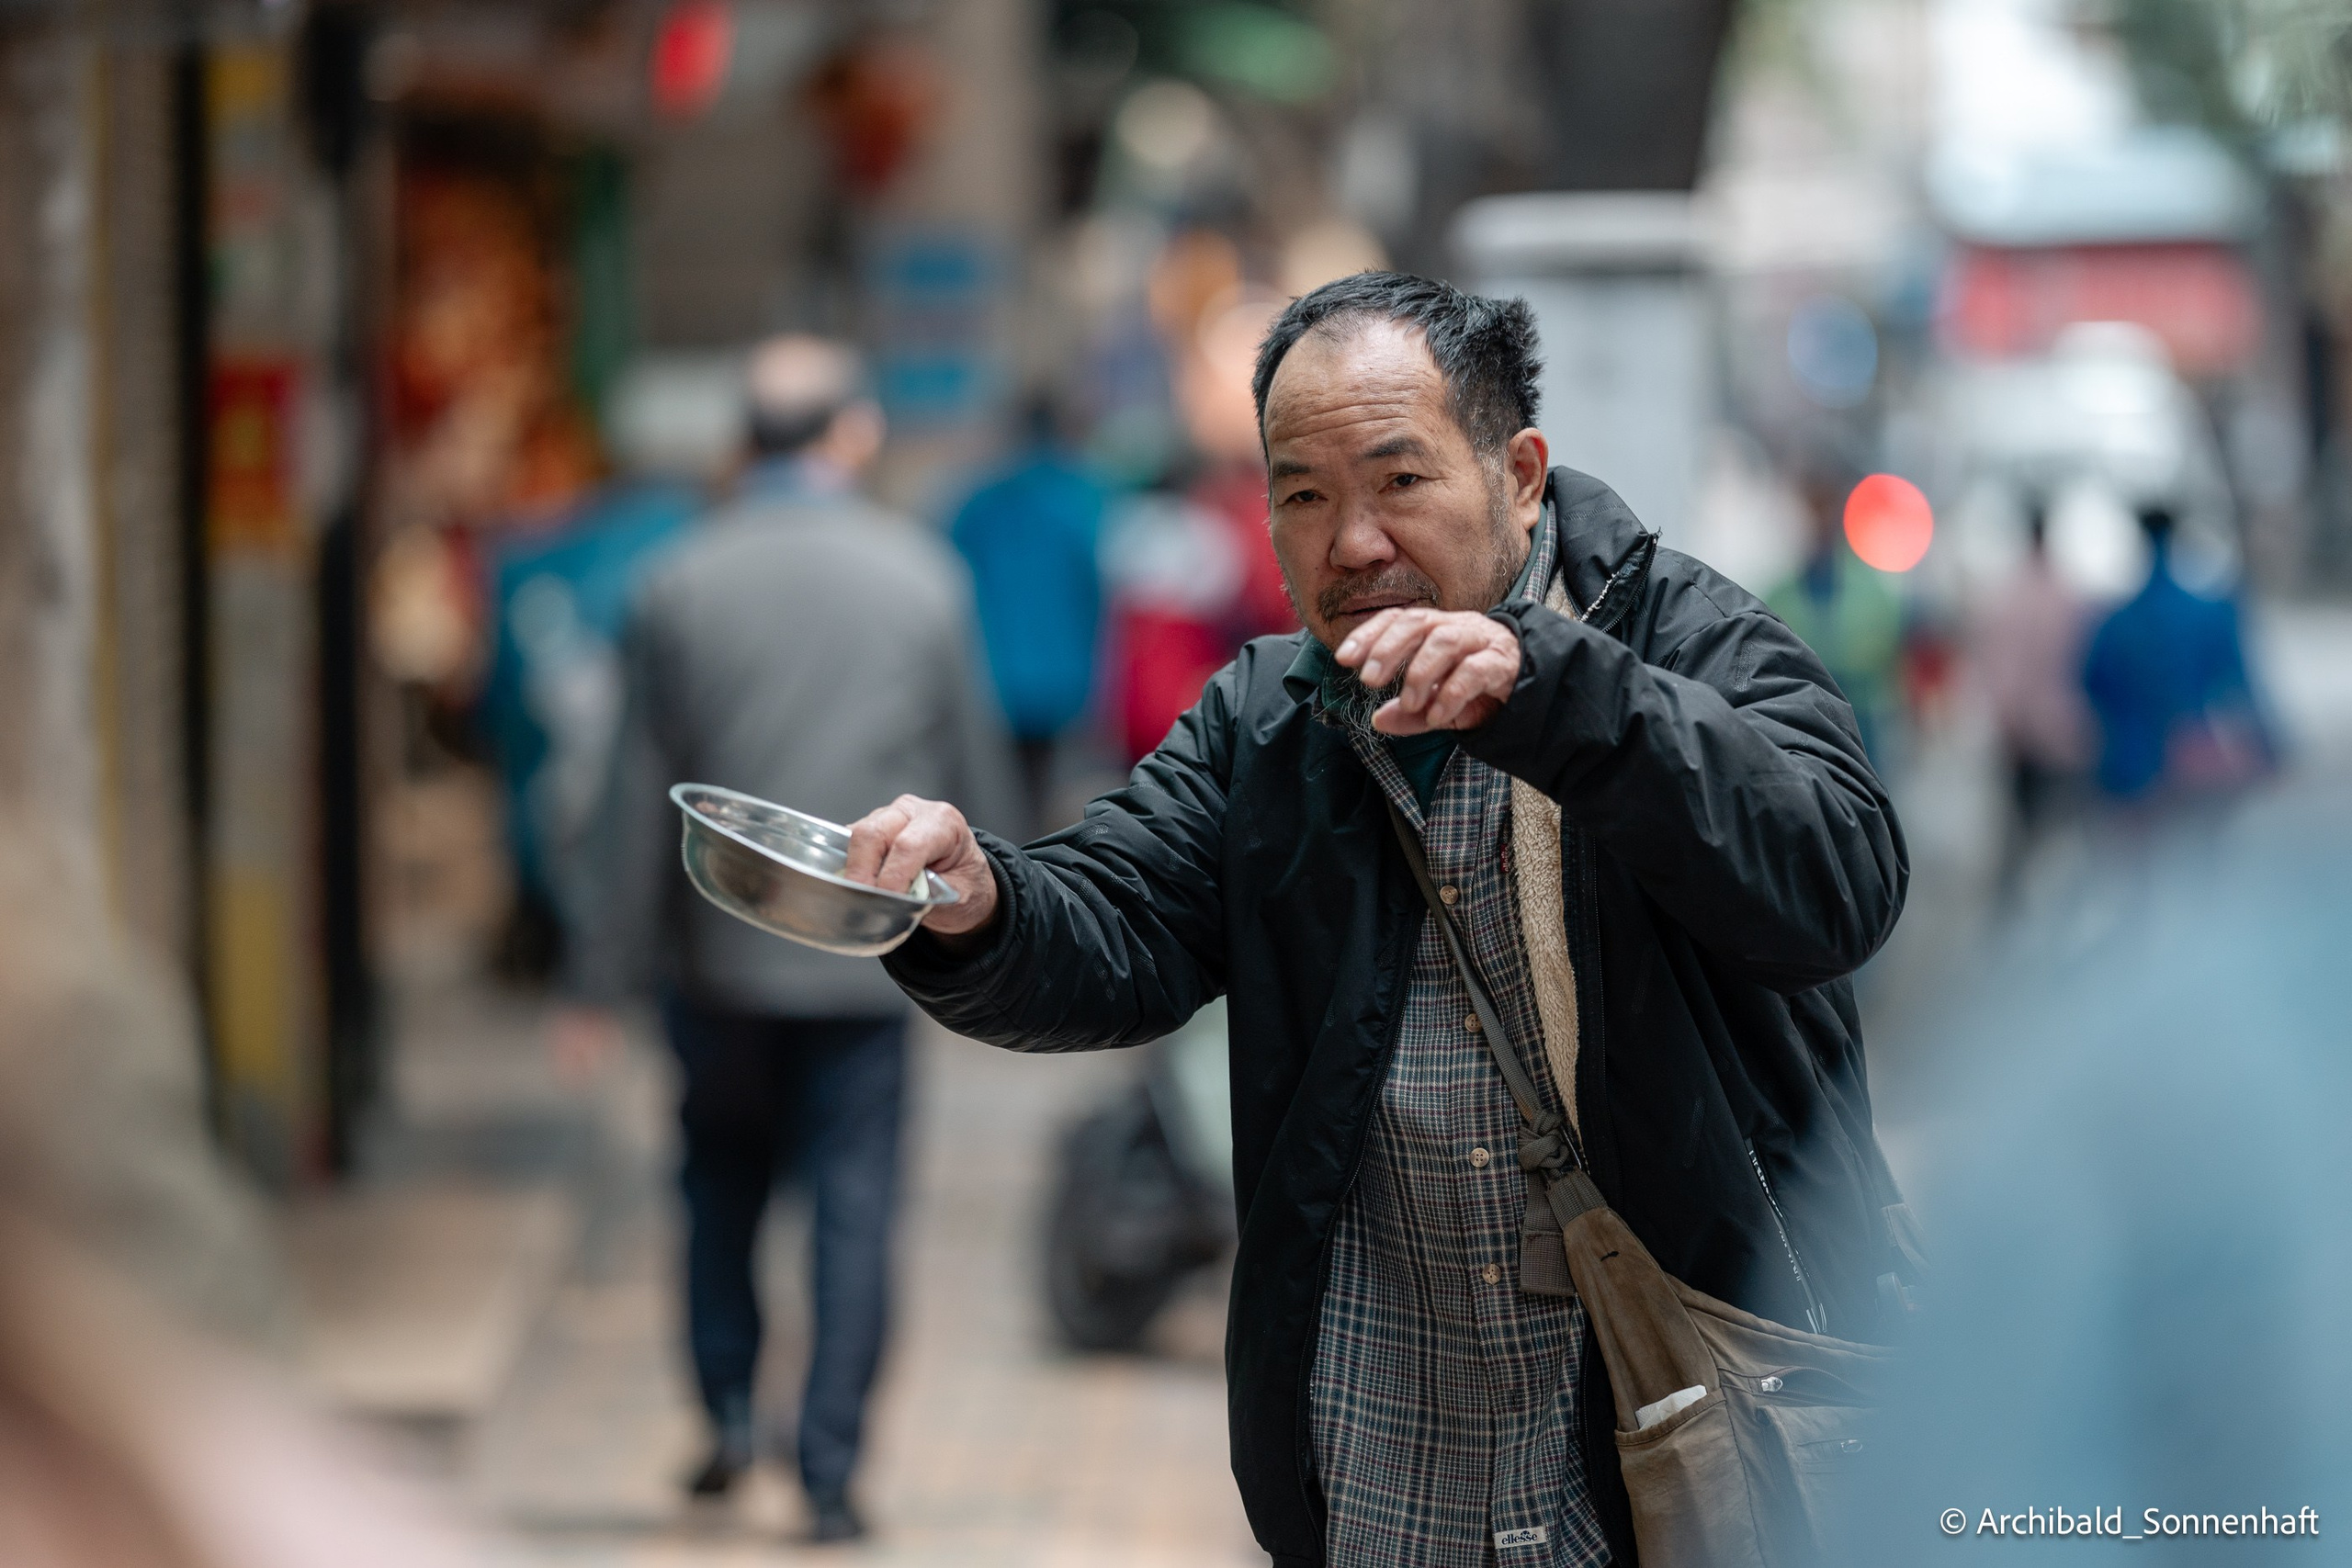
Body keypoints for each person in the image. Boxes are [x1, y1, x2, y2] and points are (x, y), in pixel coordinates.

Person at [839, 273, 1914, 1566]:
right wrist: (975, 900)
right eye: (1302, 493)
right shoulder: (1271, 720)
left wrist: (1563, 695)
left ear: (1518, 473)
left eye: (1400, 482)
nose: (1351, 542)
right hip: (1383, 1451)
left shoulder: (1689, 644)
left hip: (1675, 1430)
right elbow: (1118, 922)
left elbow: (1838, 879)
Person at [552, 335, 1013, 1542]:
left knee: (719, 1189)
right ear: (850, 435)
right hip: (868, 967)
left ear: (745, 440)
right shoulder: (923, 577)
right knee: (856, 1210)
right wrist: (998, 941)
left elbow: (628, 805)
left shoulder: (676, 580)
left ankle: (722, 1414)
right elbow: (971, 779)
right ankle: (830, 1467)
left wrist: (597, 975)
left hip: (717, 966)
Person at [947, 395, 1108, 833]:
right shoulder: (1079, 498)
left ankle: (1004, 862)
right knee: (1041, 785)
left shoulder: (977, 503)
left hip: (991, 670)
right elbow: (1095, 589)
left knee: (995, 790)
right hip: (1058, 674)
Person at [2082, 503, 2275, 802]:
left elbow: (2092, 686)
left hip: (2129, 769)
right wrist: (2269, 746)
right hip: (2194, 760)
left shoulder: (2115, 622)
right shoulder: (2207, 612)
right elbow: (2238, 685)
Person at [1970, 501, 2095, 893]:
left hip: (2023, 732)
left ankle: (2019, 898)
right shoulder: (2066, 591)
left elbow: (1998, 662)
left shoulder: (2010, 592)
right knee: (2055, 827)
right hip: (2059, 732)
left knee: (2023, 823)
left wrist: (2006, 717)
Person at [1765, 465, 1906, 768]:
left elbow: (1883, 653)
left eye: (1825, 508)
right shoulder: (1780, 592)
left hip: (1860, 724)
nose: (1819, 521)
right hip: (1801, 726)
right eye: (1813, 509)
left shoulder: (1870, 589)